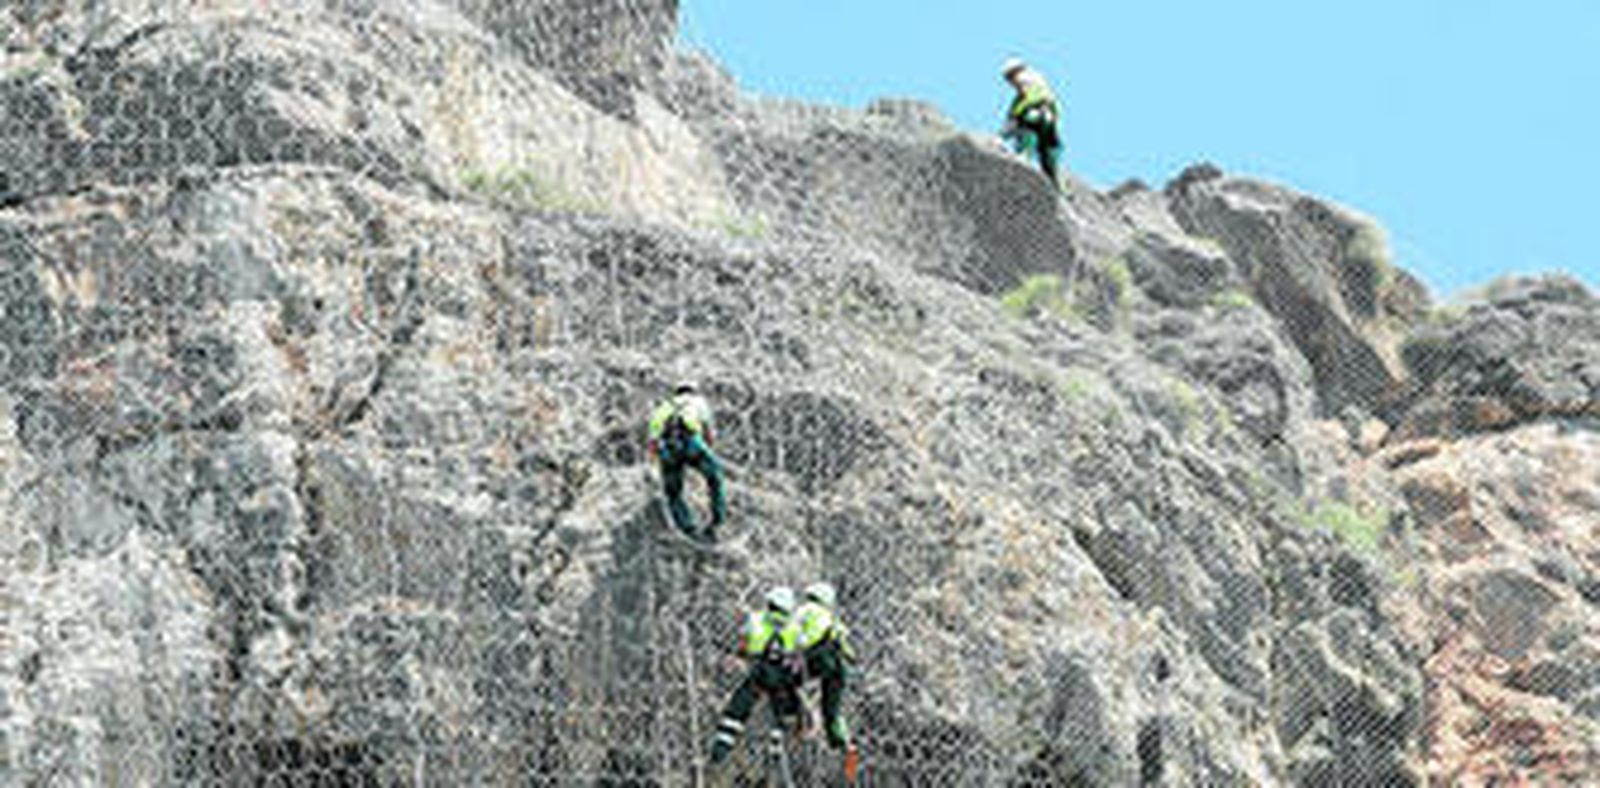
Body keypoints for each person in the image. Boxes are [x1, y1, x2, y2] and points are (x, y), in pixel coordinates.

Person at [709, 587, 805, 765]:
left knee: (738, 708)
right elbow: (800, 652)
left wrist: (739, 655)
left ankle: (721, 749)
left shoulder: (755, 619)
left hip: (758, 672)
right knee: (782, 711)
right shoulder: (795, 626)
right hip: (782, 675)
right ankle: (776, 754)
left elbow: (744, 645)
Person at [796, 582, 860, 781]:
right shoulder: (832, 618)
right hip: (836, 666)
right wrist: (851, 656)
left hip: (815, 658)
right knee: (832, 708)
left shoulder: (804, 610)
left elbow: (797, 636)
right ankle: (842, 741)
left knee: (787, 683)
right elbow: (848, 649)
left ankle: (802, 720)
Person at [646, 380, 726, 540]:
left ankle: (688, 528)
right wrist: (709, 452)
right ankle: (717, 521)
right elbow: (708, 432)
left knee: (673, 494)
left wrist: (655, 464)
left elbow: (653, 442)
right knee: (715, 477)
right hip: (691, 443)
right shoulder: (697, 402)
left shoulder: (663, 408)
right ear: (692, 391)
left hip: (667, 449)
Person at [999, 57, 1064, 187]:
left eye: (1012, 77)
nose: (1013, 83)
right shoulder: (1022, 96)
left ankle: (1026, 158)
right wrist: (1004, 132)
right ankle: (1053, 183)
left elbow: (1037, 101)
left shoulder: (1034, 84)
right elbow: (1013, 115)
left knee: (1030, 131)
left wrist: (1011, 124)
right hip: (1045, 123)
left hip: (1041, 120)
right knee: (1045, 152)